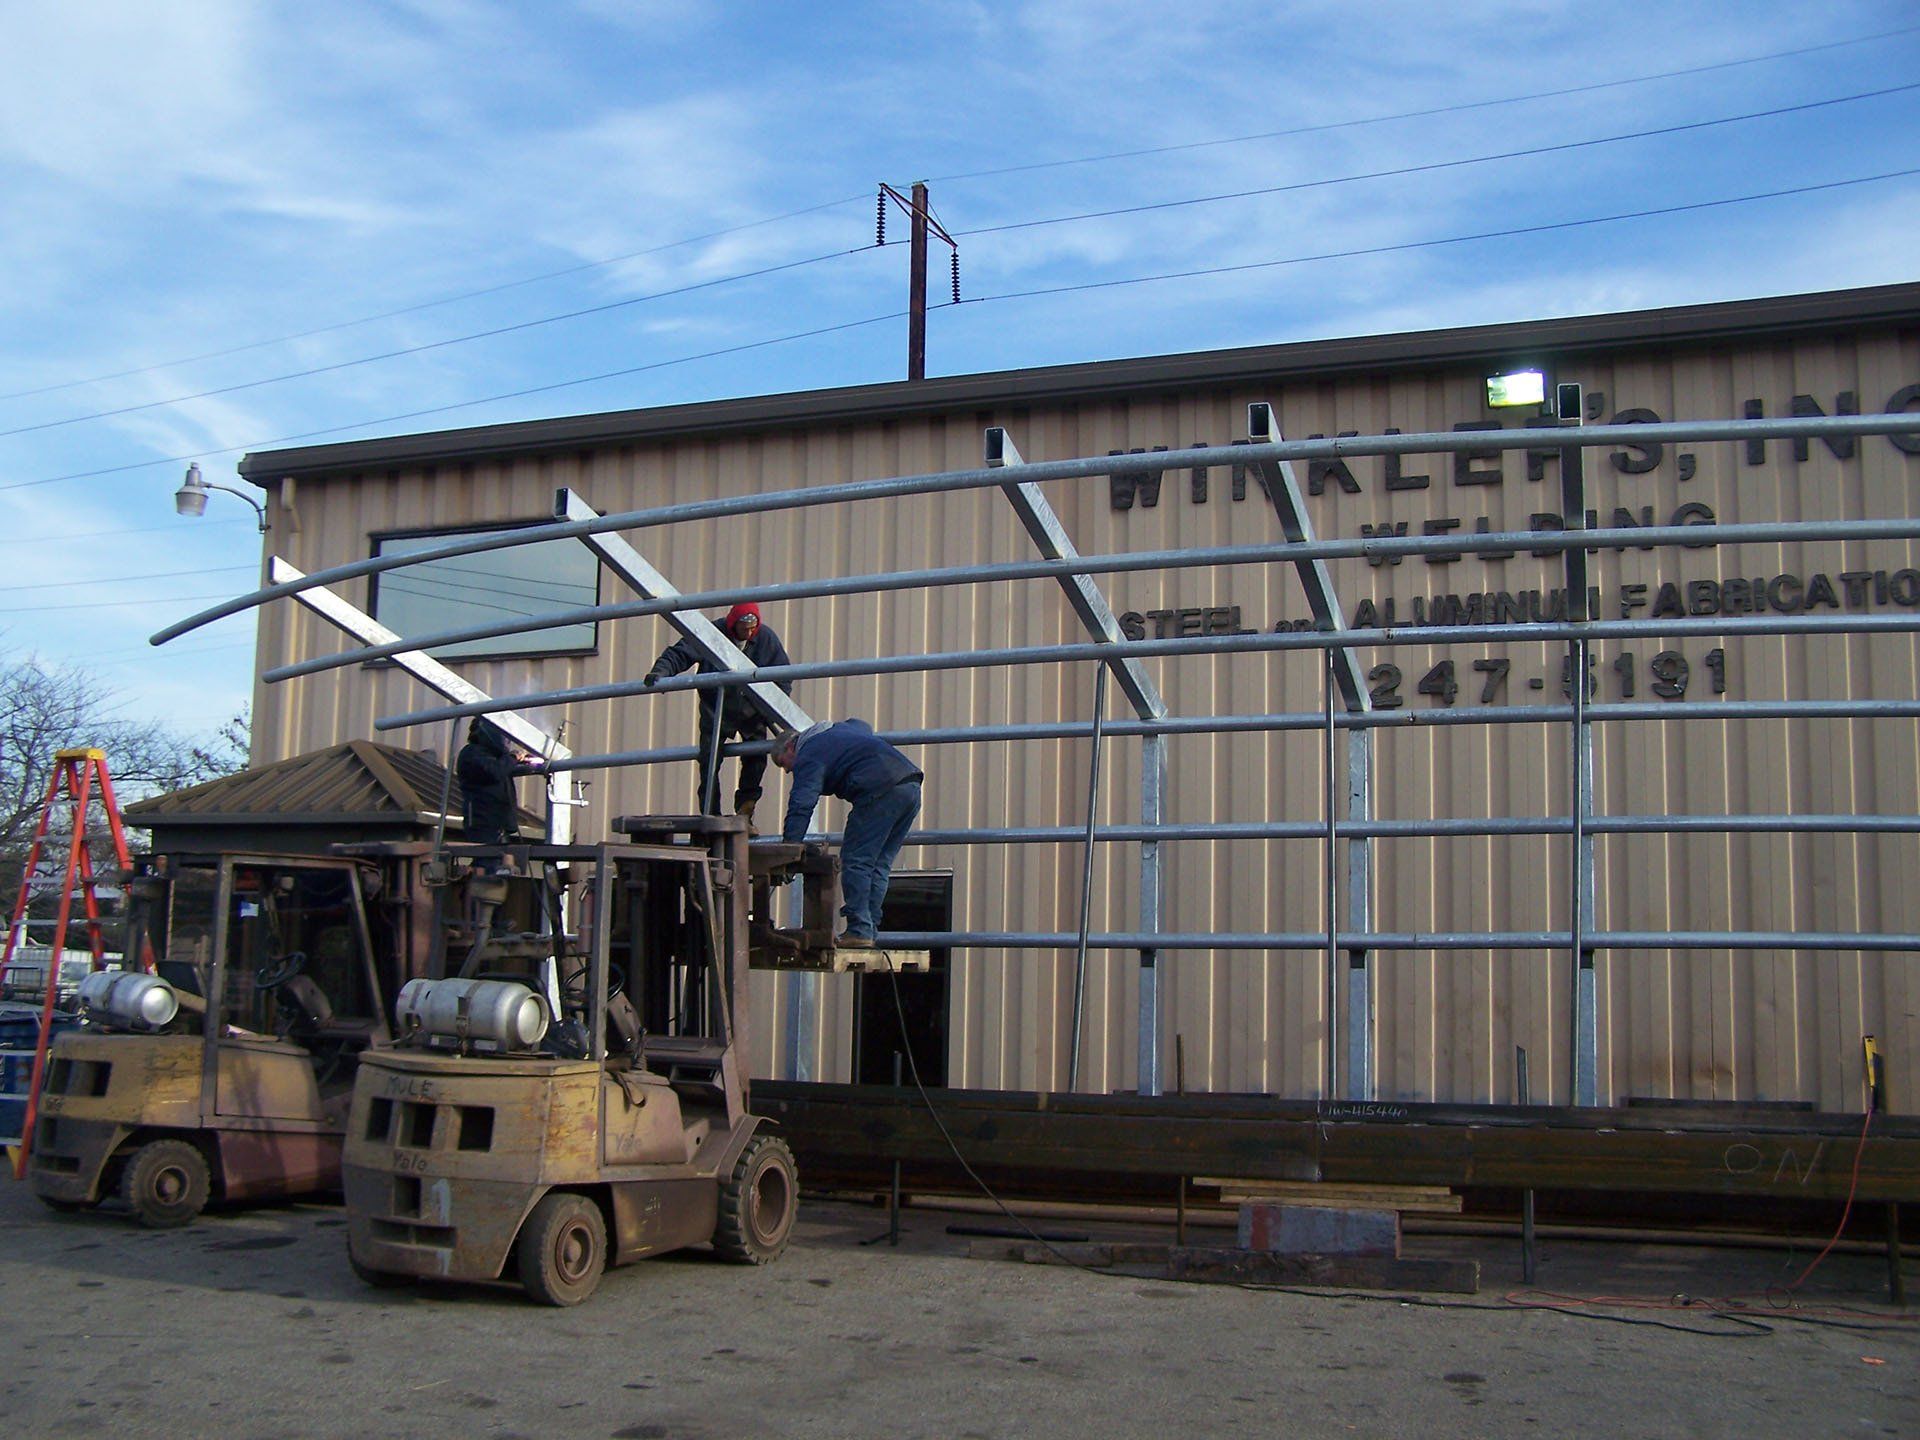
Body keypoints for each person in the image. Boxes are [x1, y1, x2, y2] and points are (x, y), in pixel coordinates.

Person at [772, 720, 922, 949]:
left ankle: (860, 929)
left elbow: (802, 802)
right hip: (910, 785)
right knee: (878, 864)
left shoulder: (809, 753)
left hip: (879, 789)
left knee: (856, 861)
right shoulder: (839, 731)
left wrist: (789, 847)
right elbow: (862, 725)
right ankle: (868, 930)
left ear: (791, 747)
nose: (789, 771)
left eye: (785, 765)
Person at [643, 602, 793, 822]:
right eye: (744, 628)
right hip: (716, 708)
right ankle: (710, 814)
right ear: (733, 623)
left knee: (756, 759)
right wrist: (661, 672)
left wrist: (772, 709)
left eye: (753, 628)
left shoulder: (766, 639)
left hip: (752, 710)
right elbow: (680, 653)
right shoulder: (712, 633)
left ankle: (745, 812)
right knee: (710, 761)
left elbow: (783, 675)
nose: (749, 632)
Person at [456, 717, 543, 845]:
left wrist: (523, 761)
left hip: (499, 824)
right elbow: (495, 771)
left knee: (500, 861)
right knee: (487, 860)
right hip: (483, 823)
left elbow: (503, 767)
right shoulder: (471, 753)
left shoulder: (497, 758)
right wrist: (513, 757)